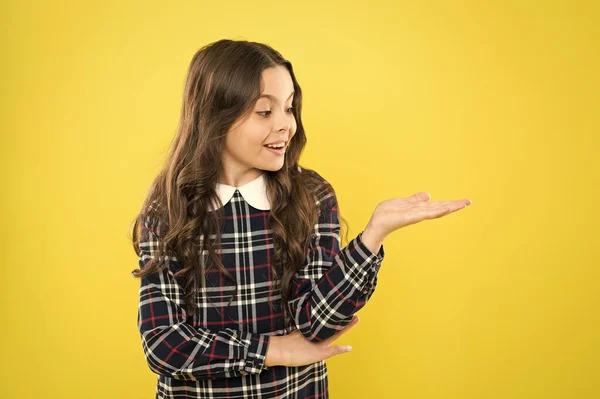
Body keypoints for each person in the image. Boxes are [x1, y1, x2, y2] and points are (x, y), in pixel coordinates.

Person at [131, 39, 472, 399]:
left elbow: (317, 323)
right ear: (216, 116)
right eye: (265, 112)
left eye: (289, 108)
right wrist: (273, 350)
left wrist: (372, 237)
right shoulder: (168, 209)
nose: (285, 125)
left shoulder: (311, 196)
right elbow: (164, 346)